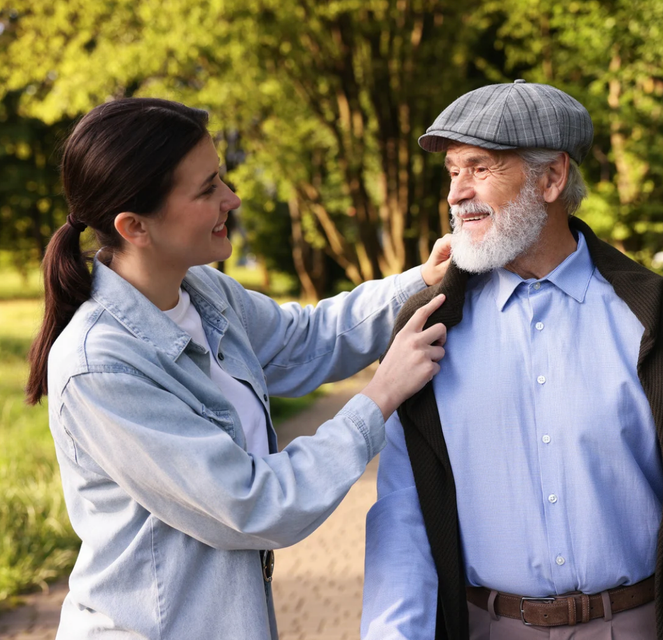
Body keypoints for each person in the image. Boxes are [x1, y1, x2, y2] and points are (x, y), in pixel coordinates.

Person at [361, 81, 663, 639]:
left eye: (479, 168)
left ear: (552, 178)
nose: (456, 192)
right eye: (453, 170)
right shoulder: (427, 329)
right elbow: (402, 518)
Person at [25, 97, 452, 640]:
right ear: (134, 226)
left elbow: (305, 339)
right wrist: (378, 399)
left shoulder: (202, 291)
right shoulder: (99, 366)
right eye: (207, 190)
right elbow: (254, 504)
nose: (233, 198)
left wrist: (422, 280)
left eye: (220, 177)